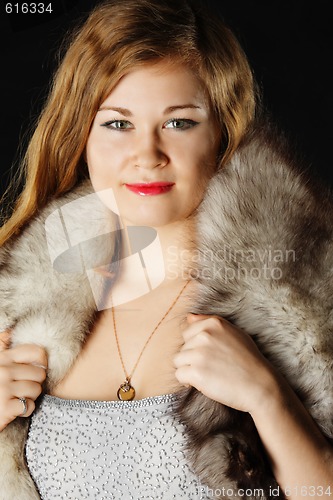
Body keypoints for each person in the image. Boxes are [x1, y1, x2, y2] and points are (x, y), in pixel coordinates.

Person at [0, 0, 332, 498]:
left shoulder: (296, 297)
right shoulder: (20, 314)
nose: (148, 154)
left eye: (179, 122)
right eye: (117, 123)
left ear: (222, 130)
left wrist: (269, 399)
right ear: (80, 135)